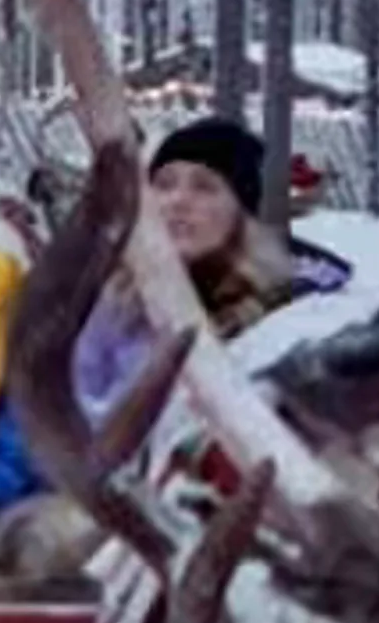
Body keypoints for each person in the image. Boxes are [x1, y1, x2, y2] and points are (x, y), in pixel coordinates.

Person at [70, 112, 333, 422]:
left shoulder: (285, 314)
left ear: (244, 213)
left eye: (205, 187)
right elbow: (69, 406)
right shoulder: (120, 301)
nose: (178, 201)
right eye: (164, 185)